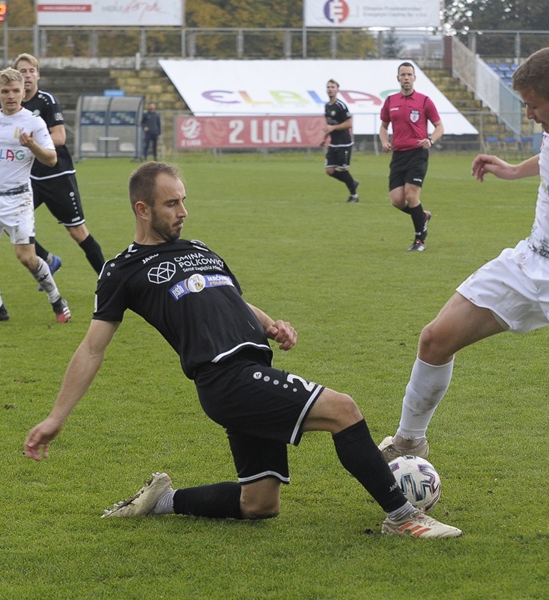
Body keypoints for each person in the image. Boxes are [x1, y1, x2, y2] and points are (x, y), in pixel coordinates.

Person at [23, 162, 462, 539]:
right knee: (343, 410)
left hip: (250, 368)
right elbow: (92, 348)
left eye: (183, 200)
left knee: (259, 504)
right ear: (143, 209)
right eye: (171, 203)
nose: (183, 211)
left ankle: (161, 501)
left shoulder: (198, 248)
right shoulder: (123, 270)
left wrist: (270, 324)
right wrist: (55, 418)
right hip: (226, 379)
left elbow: (230, 299)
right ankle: (402, 517)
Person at [378, 48, 549, 552]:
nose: (527, 115)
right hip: (528, 261)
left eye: (532, 106)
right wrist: (512, 170)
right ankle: (409, 440)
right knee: (434, 338)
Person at [0, 68, 71, 324]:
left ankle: (56, 299)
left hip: (18, 199)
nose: (11, 96)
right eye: (5, 91)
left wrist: (32, 145)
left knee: (26, 257)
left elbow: (51, 158)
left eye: (16, 91)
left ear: (23, 92)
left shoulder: (33, 122)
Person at [13, 53, 106, 282]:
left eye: (31, 71)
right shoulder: (14, 105)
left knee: (77, 232)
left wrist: (31, 143)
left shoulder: (46, 101)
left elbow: (60, 137)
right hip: (30, 178)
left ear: (38, 75)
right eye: (22, 71)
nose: (27, 76)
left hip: (57, 176)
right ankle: (48, 260)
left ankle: (108, 280)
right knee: (11, 220)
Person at [379, 62, 444, 252]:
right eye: (403, 75)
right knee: (397, 200)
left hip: (418, 153)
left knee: (411, 194)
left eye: (409, 74)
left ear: (414, 78)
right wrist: (384, 141)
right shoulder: (391, 101)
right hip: (398, 155)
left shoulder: (424, 101)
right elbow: (383, 126)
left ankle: (419, 241)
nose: (406, 78)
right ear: (398, 78)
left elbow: (439, 126)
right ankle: (422, 216)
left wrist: (430, 140)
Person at [321, 79, 359, 203]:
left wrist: (333, 128)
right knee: (329, 170)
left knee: (343, 169)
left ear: (337, 89)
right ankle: (352, 182)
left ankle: (354, 195)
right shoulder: (327, 106)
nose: (330, 89)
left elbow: (349, 123)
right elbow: (329, 124)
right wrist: (324, 138)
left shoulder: (341, 105)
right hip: (333, 143)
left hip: (344, 143)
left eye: (332, 87)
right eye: (328, 87)